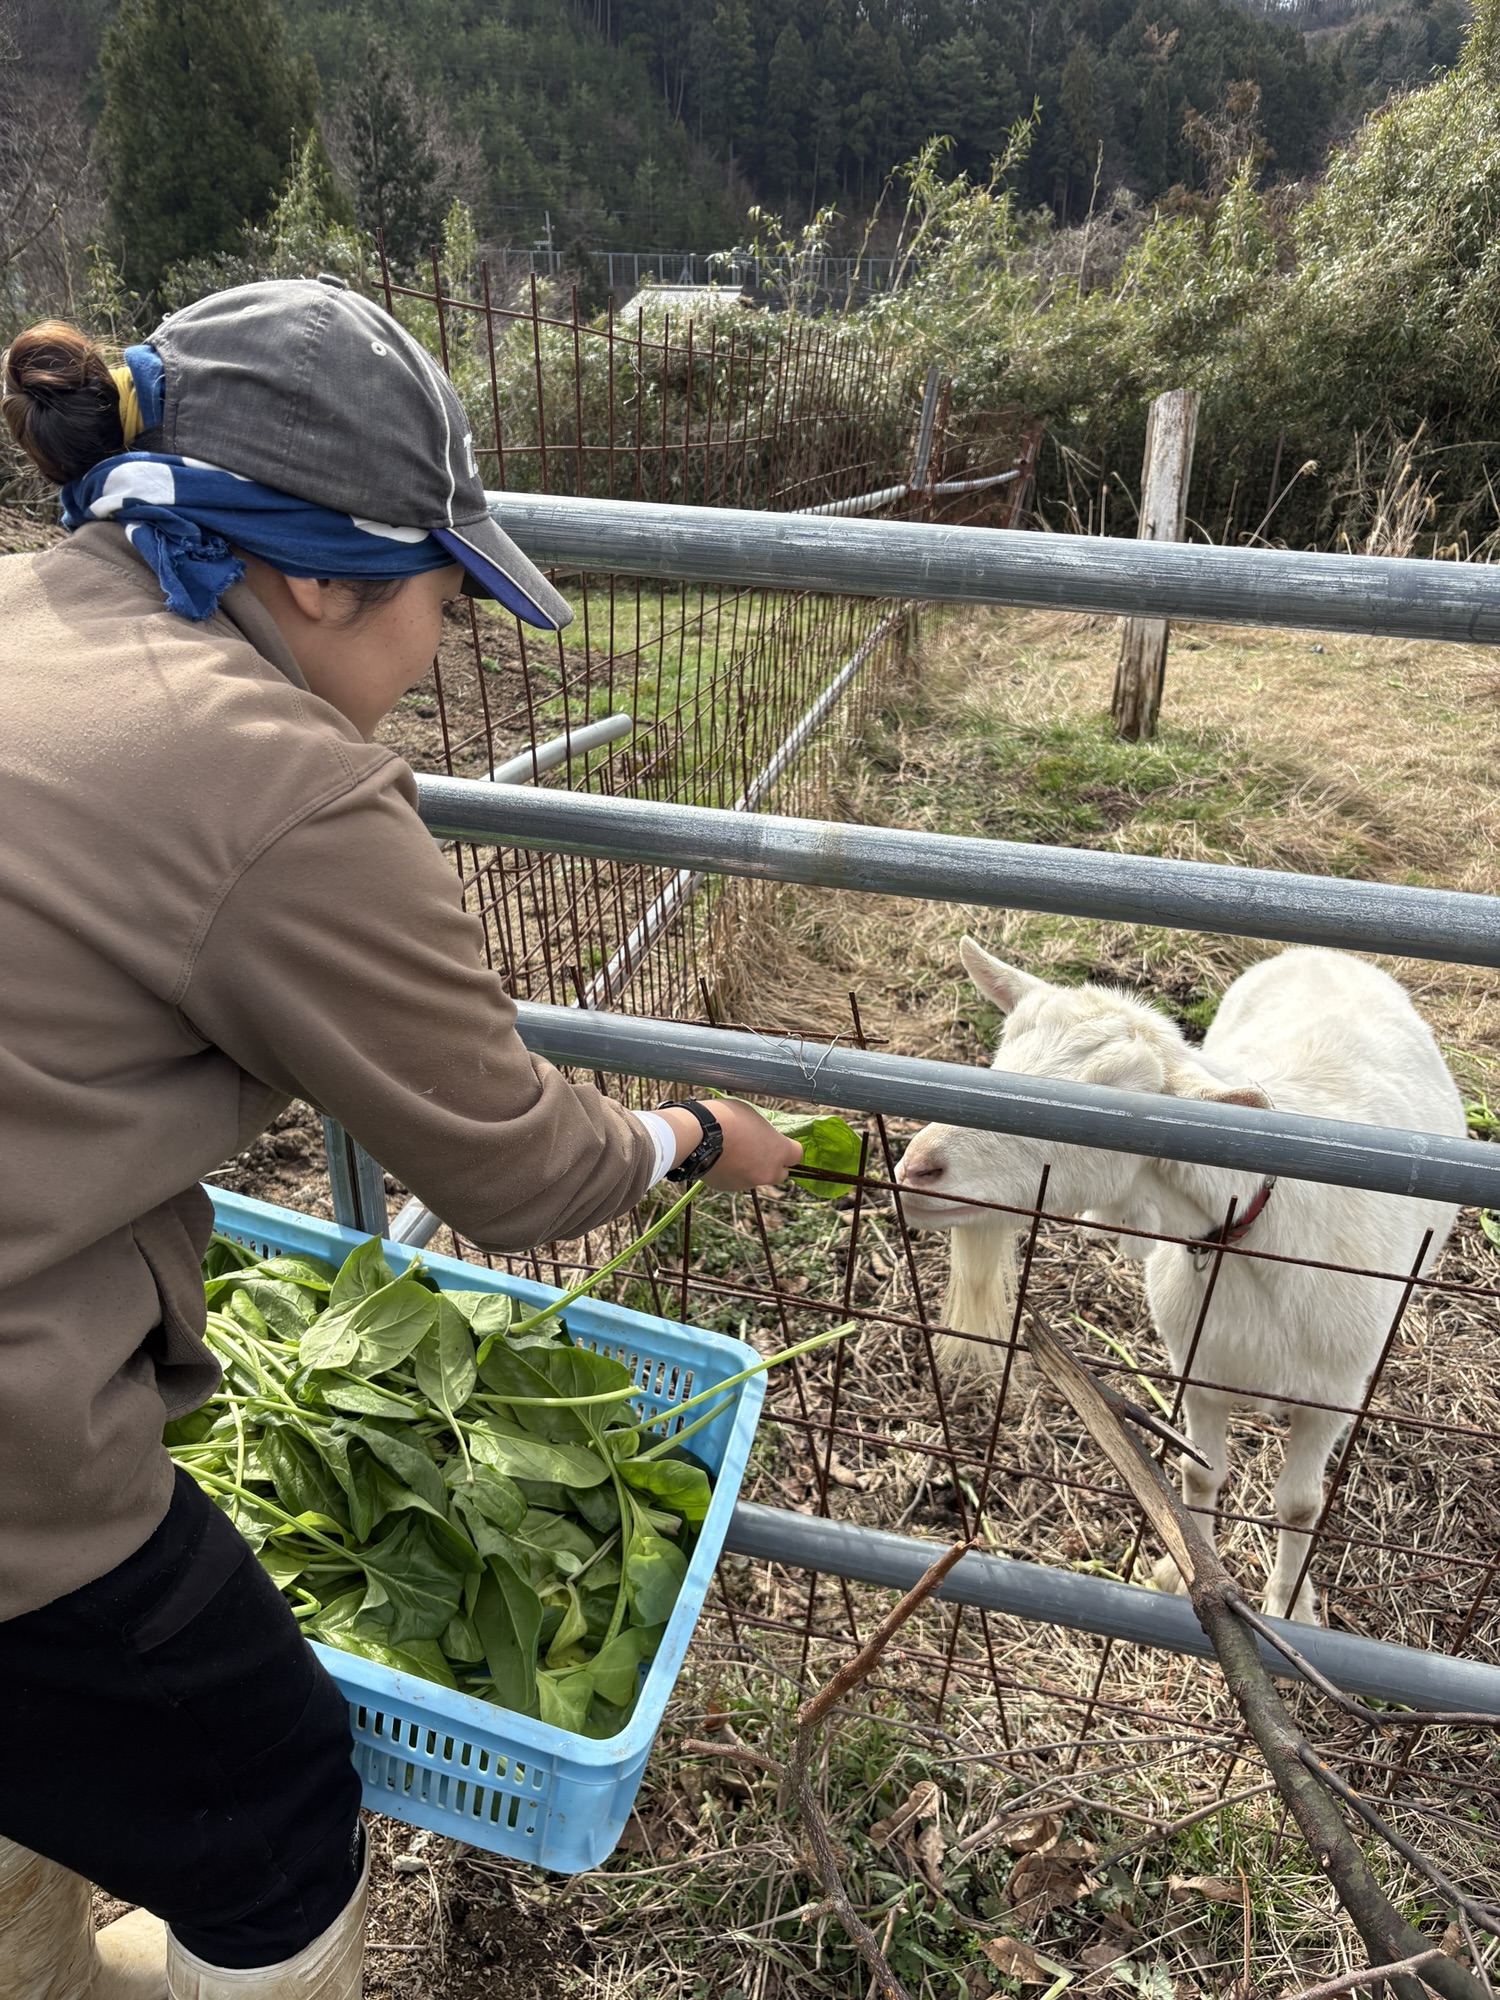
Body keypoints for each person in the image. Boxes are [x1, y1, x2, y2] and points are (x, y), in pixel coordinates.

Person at [0, 277, 800, 2000]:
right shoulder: (274, 779)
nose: (443, 647)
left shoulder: (23, 610)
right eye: (447, 594)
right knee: (273, 1806)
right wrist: (686, 1132)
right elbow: (515, 1168)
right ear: (316, 576)